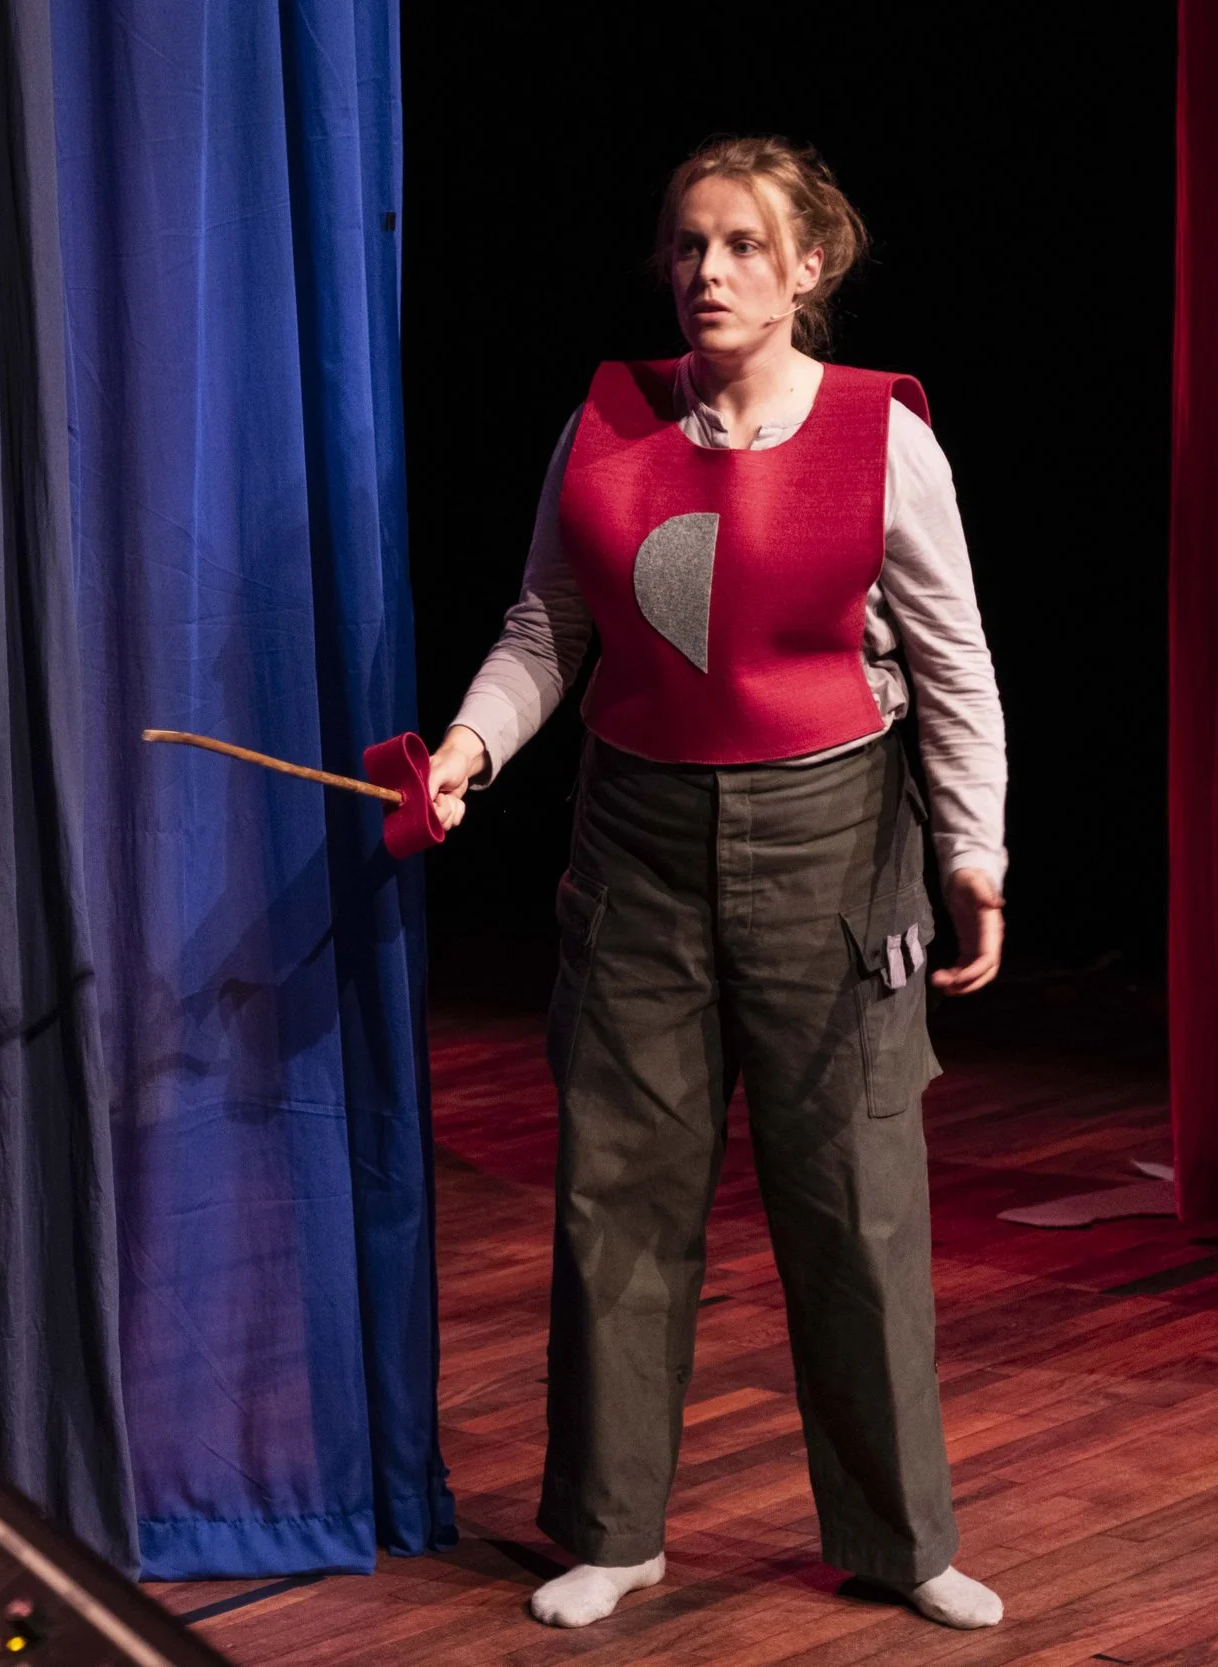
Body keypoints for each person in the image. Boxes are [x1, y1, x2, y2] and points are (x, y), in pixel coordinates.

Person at [427, 138, 1008, 1631]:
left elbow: (950, 664)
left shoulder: (884, 433)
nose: (708, 275)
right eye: (688, 246)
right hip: (639, 855)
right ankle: (613, 1529)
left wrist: (972, 850)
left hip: (833, 848)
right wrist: (469, 751)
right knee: (618, 1195)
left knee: (857, 1203)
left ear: (809, 267)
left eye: (744, 246)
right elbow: (548, 628)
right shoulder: (608, 422)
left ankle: (897, 1534)